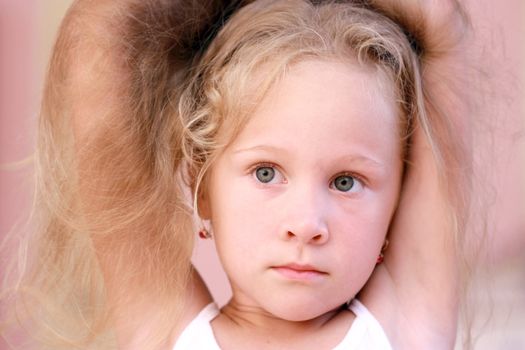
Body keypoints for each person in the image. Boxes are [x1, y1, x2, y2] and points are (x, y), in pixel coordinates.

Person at [1, 0, 474, 349]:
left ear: (398, 205)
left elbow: (441, 27)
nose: (306, 223)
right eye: (266, 172)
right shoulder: (163, 331)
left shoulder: (407, 323)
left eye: (346, 181)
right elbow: (104, 38)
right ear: (203, 189)